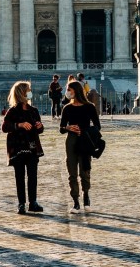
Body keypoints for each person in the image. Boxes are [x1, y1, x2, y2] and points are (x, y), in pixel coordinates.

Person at [2, 81, 44, 214]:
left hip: (32, 147)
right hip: (18, 147)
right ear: (22, 94)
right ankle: (21, 203)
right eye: (28, 90)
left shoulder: (34, 111)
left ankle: (33, 202)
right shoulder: (12, 111)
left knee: (33, 176)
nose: (30, 93)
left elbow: (40, 129)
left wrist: (39, 126)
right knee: (19, 176)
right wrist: (19, 125)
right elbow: (4, 127)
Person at [59, 80, 101, 213]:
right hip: (71, 140)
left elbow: (97, 126)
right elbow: (61, 128)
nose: (67, 92)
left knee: (85, 170)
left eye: (69, 89)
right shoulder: (67, 108)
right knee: (71, 172)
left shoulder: (89, 107)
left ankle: (86, 196)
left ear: (76, 91)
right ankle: (76, 201)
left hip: (85, 139)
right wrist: (68, 127)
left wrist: (84, 130)